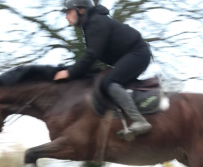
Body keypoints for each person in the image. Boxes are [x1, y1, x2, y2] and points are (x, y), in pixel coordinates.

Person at [55, 0, 153, 137]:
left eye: (69, 11)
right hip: (133, 54)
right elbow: (93, 57)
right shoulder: (90, 25)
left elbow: (92, 55)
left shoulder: (95, 22)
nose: (66, 16)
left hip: (138, 54)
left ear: (81, 10)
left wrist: (70, 72)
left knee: (110, 82)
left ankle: (139, 120)